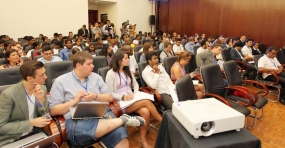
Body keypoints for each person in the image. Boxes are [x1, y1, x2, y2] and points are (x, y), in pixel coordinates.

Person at [49, 52, 145, 147]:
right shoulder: (60, 82)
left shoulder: (96, 77)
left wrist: (96, 96)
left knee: (120, 134)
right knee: (84, 130)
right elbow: (53, 111)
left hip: (101, 114)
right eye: (89, 64)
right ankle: (122, 120)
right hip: (77, 120)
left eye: (92, 63)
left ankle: (119, 122)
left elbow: (109, 97)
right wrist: (75, 100)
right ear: (78, 65)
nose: (93, 66)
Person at [106, 51, 162, 148]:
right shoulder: (110, 73)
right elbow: (109, 93)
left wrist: (135, 93)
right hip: (120, 102)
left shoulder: (127, 70)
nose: (129, 59)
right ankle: (163, 122)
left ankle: (142, 139)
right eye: (126, 58)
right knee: (146, 102)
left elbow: (136, 84)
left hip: (132, 98)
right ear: (119, 60)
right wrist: (123, 97)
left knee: (146, 112)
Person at [0, 61, 51, 147]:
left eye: (45, 73)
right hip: (12, 139)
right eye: (42, 75)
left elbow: (46, 117)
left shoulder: (42, 88)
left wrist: (41, 102)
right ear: (30, 78)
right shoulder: (8, 95)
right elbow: (1, 127)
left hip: (35, 134)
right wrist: (31, 123)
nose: (46, 77)